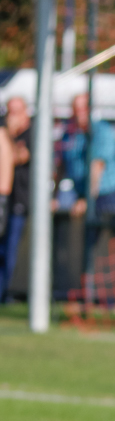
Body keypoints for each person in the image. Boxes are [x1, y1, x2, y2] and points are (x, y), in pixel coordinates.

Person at [58, 92, 115, 218]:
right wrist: (54, 197)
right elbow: (62, 164)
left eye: (82, 109)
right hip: (82, 193)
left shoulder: (101, 131)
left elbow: (97, 166)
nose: (78, 113)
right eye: (75, 109)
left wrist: (87, 199)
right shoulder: (69, 135)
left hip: (104, 195)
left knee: (102, 228)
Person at [0, 97, 31, 304]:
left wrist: (8, 136)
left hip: (18, 201)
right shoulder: (5, 134)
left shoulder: (31, 133)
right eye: (9, 112)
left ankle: (3, 292)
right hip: (6, 200)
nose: (11, 117)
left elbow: (17, 157)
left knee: (9, 251)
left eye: (16, 112)